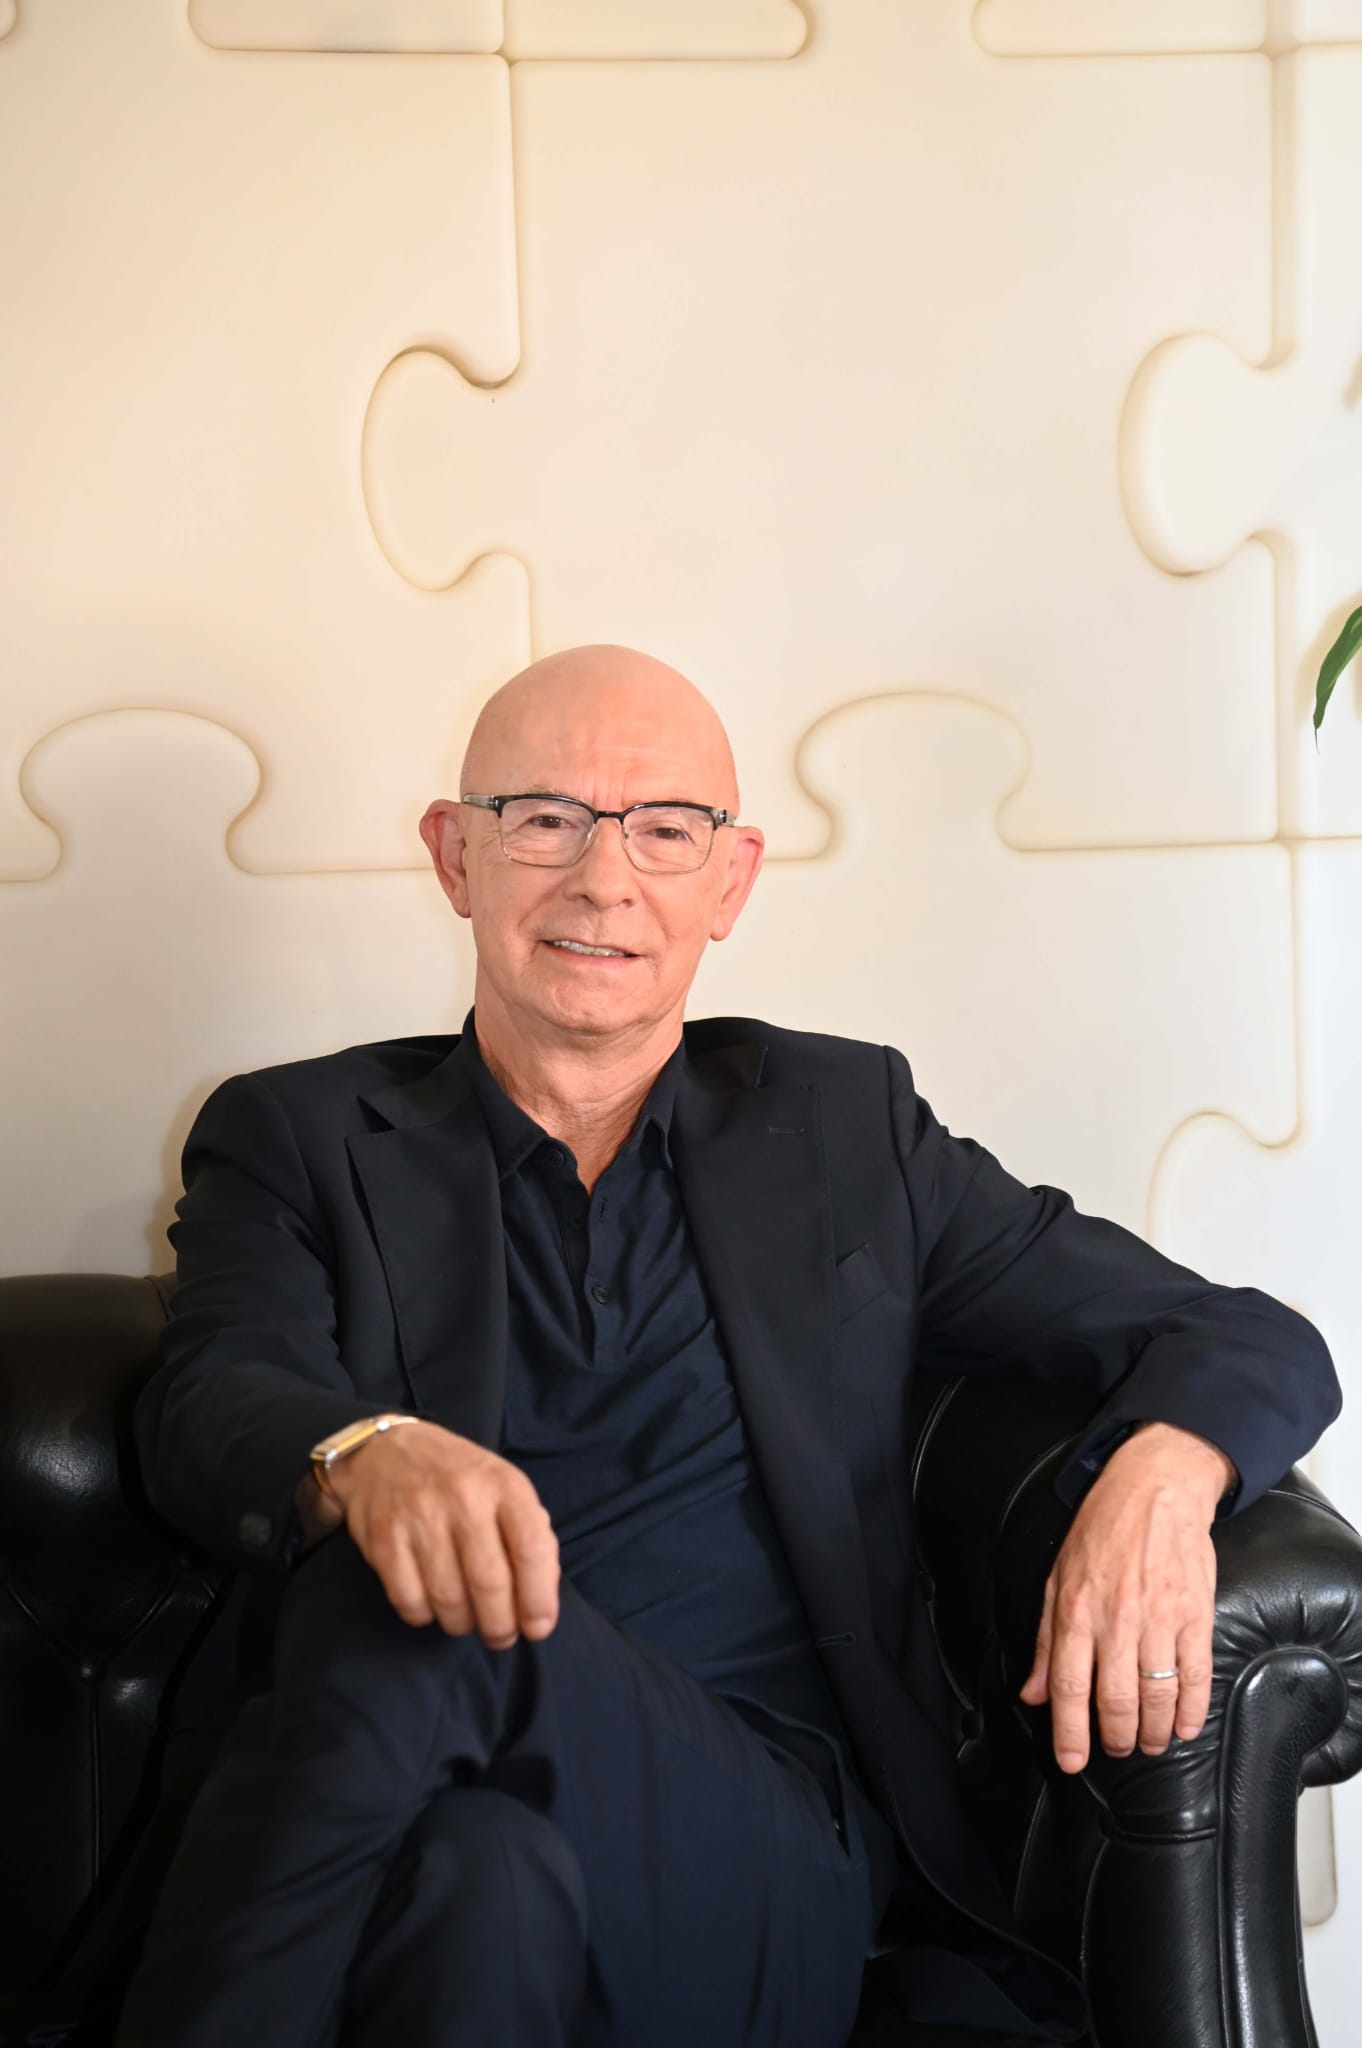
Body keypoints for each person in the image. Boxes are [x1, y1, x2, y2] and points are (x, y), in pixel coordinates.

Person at [111, 644, 1340, 2047]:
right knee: (478, 1878)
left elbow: (1242, 1332)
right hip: (447, 1838)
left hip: (766, 1857)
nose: (603, 879)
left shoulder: (844, 1135)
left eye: (664, 830)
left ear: (731, 881)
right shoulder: (301, 1137)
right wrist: (366, 1455)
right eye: (544, 819)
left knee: (421, 1599)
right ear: (456, 857)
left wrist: (1161, 1477)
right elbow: (212, 1399)